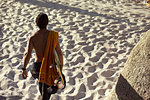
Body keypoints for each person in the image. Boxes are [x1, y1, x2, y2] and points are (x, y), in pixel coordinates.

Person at [22, 13, 63, 100]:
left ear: (37, 24)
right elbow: (59, 53)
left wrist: (24, 68)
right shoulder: (53, 36)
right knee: (48, 88)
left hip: (38, 68)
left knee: (43, 87)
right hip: (50, 66)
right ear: (47, 23)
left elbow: (27, 54)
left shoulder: (33, 37)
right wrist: (60, 67)